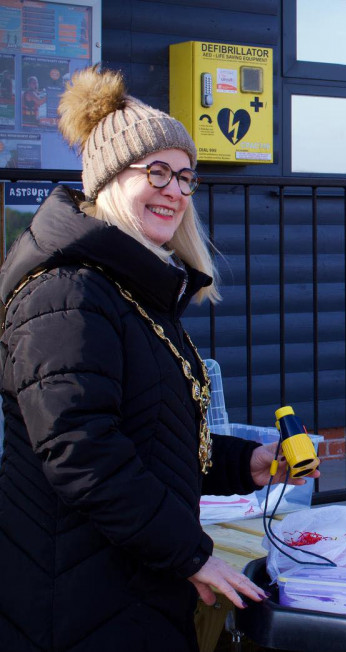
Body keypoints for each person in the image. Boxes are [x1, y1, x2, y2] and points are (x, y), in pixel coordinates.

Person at [0, 67, 316, 652]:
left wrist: (246, 463)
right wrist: (190, 554)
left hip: (129, 582)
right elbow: (81, 452)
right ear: (106, 180)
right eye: (157, 172)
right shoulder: (67, 292)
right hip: (76, 595)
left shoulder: (131, 291)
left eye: (186, 177)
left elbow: (153, 436)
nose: (175, 190)